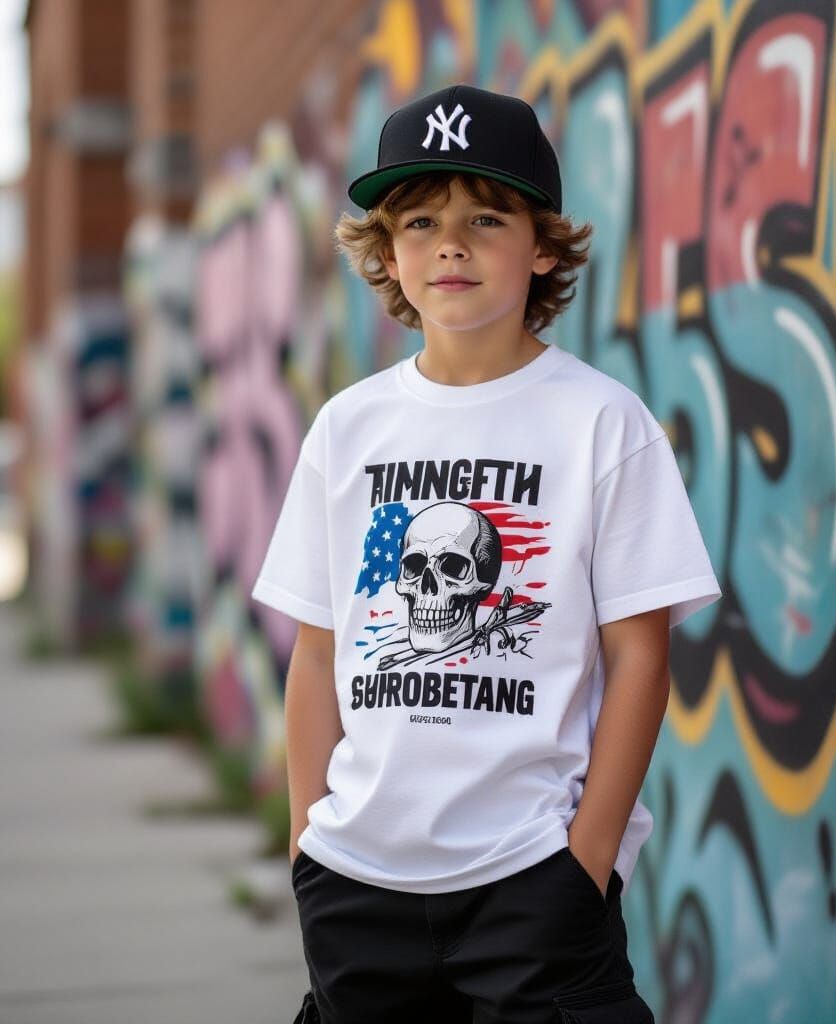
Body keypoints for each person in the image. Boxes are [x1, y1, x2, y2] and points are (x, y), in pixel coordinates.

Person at [252, 82, 721, 1024]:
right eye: (419, 222)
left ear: (543, 243)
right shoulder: (349, 431)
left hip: (531, 880)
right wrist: (308, 850)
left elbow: (641, 658)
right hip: (357, 881)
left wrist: (585, 863)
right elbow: (317, 654)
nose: (450, 244)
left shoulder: (599, 423)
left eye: (486, 217)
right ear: (387, 251)